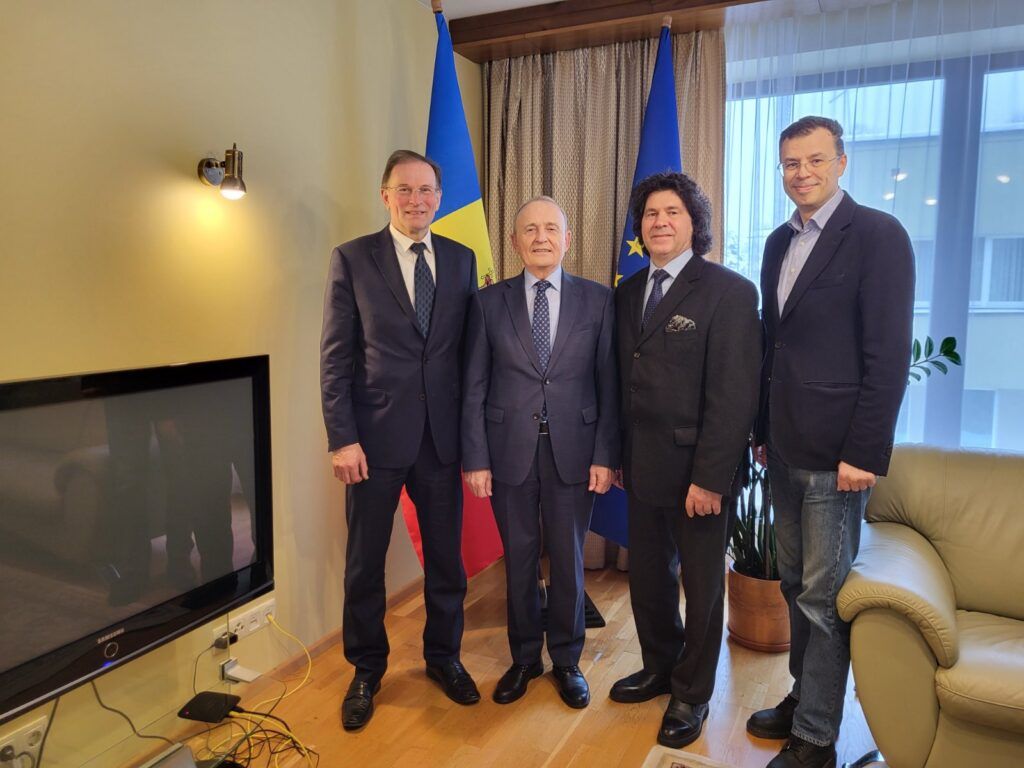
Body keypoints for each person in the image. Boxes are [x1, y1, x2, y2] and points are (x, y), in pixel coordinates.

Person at [748, 116, 914, 768]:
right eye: (791, 163)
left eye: (815, 160)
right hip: (784, 448)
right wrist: (762, 432)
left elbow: (888, 355)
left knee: (822, 600)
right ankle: (803, 699)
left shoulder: (877, 235)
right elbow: (775, 345)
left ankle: (816, 739)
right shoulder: (777, 242)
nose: (802, 173)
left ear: (841, 162)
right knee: (796, 586)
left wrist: (864, 453)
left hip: (838, 458)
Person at [320, 149, 481, 732]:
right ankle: (366, 670)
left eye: (426, 190)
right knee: (365, 565)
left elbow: (469, 357)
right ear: (385, 195)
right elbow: (335, 357)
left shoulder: (461, 260)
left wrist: (474, 440)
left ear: (439, 197)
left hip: (441, 441)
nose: (417, 200)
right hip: (373, 442)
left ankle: (444, 657)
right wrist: (342, 439)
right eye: (405, 189)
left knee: (446, 561)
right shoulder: (352, 258)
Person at [611, 172, 761, 747]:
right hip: (640, 466)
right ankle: (658, 666)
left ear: (694, 223)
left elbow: (734, 395)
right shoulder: (627, 292)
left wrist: (711, 477)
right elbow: (621, 381)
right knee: (649, 578)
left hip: (698, 473)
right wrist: (616, 456)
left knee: (701, 589)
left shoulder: (729, 292)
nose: (660, 222)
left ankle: (692, 693)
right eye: (651, 214)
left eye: (672, 212)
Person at [461, 196, 618, 709]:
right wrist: (476, 458)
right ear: (514, 241)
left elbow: (608, 385)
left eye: (551, 228)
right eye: (530, 229)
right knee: (521, 560)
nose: (541, 237)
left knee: (569, 560)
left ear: (567, 239)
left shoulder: (599, 300)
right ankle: (525, 658)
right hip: (508, 452)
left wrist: (604, 454)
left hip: (575, 451)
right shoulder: (488, 303)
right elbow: (474, 386)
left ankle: (567, 660)